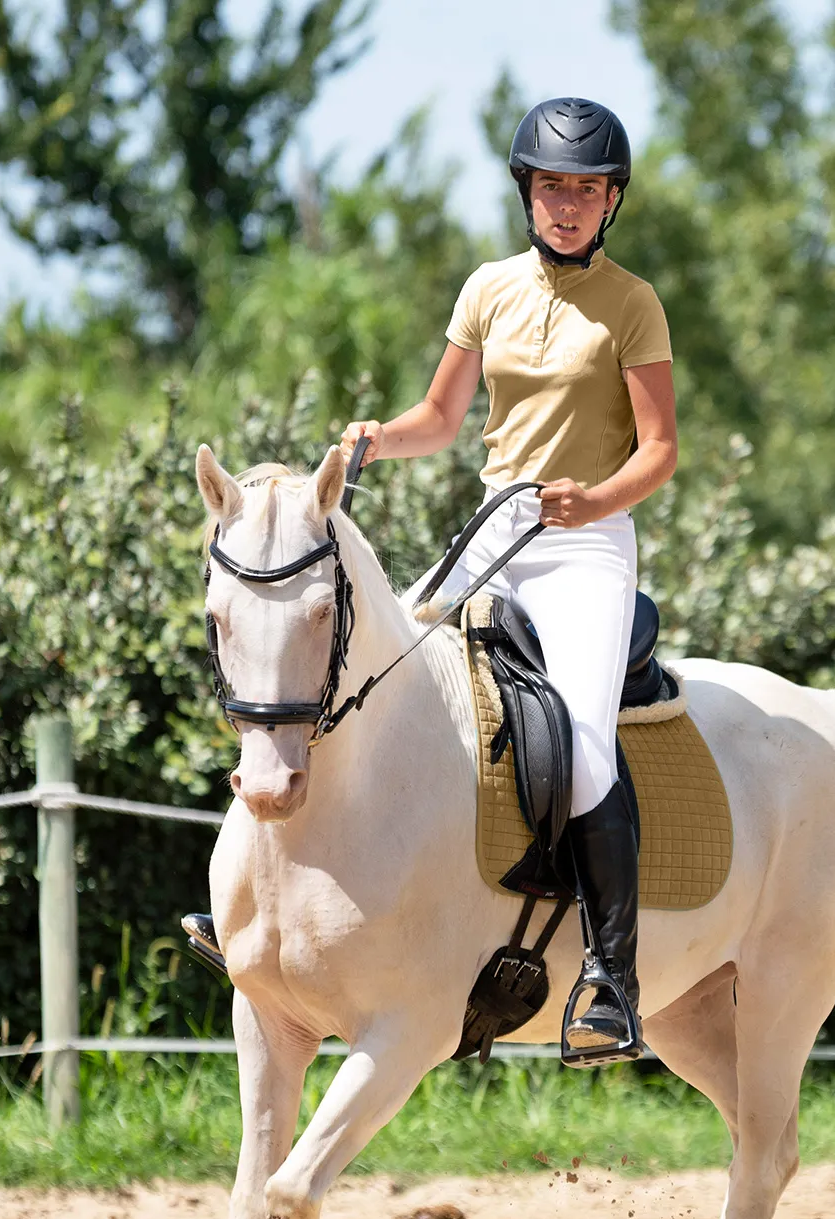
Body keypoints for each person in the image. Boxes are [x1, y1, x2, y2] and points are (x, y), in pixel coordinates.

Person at [190, 97, 676, 1063]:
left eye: (584, 190)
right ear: (526, 194)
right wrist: (378, 438)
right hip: (496, 527)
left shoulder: (634, 304)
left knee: (580, 744)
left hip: (585, 543)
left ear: (610, 201)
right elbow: (441, 418)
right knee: (362, 667)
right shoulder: (488, 289)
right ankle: (252, 913)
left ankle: (611, 980)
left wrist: (595, 500)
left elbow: (659, 450)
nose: (567, 205)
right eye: (551, 187)